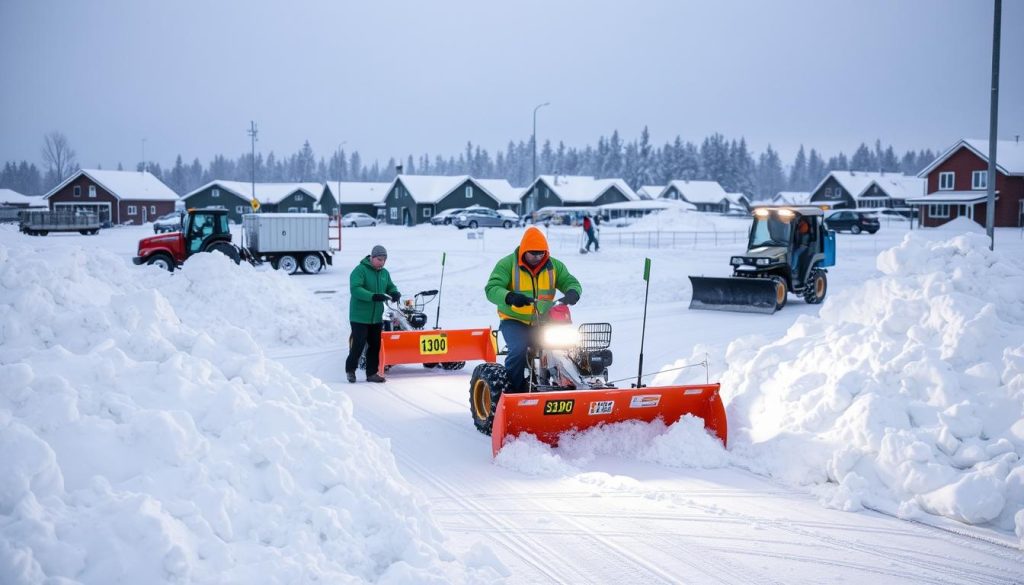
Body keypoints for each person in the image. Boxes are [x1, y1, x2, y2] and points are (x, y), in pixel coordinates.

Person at [485, 226, 582, 392]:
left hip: (544, 320)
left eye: (541, 253)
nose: (537, 257)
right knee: (518, 349)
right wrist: (510, 297)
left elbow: (570, 281)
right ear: (524, 250)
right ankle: (514, 389)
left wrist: (573, 292)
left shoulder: (554, 266)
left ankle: (569, 385)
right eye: (533, 253)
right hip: (514, 320)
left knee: (564, 346)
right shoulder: (507, 264)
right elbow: (492, 288)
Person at [346, 244, 401, 383]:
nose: (381, 262)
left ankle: (371, 374)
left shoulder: (384, 273)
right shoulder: (360, 270)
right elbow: (356, 289)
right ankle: (350, 370)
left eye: (384, 260)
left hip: (376, 317)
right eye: (379, 259)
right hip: (359, 317)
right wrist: (373, 296)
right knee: (358, 344)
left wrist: (394, 292)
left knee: (375, 345)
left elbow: (390, 286)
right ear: (372, 257)